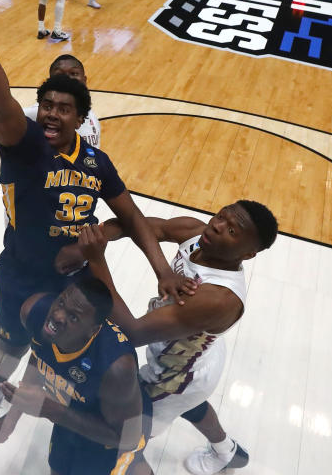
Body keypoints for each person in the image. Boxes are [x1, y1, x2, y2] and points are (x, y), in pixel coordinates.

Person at [0, 0, 190, 446]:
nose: (54, 113)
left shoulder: (95, 159)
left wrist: (160, 269)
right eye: (48, 104)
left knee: (50, 354)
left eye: (65, 106)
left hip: (69, 279)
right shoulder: (25, 143)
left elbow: (133, 215)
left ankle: (19, 402)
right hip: (21, 269)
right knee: (7, 351)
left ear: (81, 118)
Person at [61, 201, 278, 475]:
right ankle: (227, 451)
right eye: (221, 216)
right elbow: (138, 224)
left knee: (124, 437)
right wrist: (99, 235)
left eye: (232, 230)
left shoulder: (220, 299)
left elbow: (131, 332)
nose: (217, 225)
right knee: (191, 405)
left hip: (178, 376)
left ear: (248, 254)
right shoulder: (199, 233)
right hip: (198, 353)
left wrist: (95, 259)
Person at [0, 279, 154, 474]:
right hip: (70, 414)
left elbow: (127, 439)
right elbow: (40, 357)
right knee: (57, 468)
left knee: (134, 467)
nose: (57, 315)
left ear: (93, 330)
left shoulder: (116, 368)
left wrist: (51, 410)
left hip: (118, 432)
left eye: (73, 318)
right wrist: (11, 419)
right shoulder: (35, 312)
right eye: (61, 303)